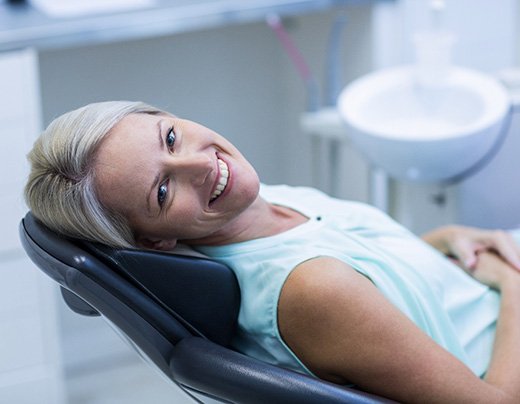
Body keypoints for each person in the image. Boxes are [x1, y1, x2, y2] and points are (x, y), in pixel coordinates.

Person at [25, 101, 520, 403]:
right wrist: (511, 280)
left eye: (171, 137)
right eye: (162, 191)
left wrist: (449, 238)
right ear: (154, 241)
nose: (201, 162)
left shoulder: (266, 201)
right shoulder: (312, 290)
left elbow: (371, 267)